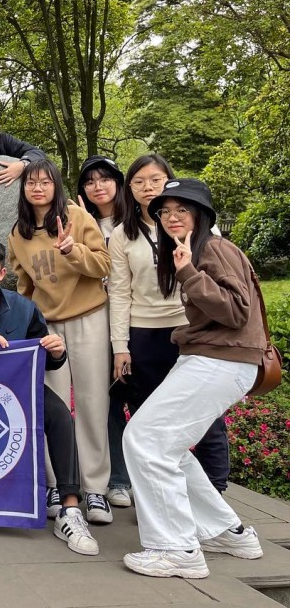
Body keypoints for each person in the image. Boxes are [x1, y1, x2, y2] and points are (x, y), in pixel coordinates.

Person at [122, 178, 266, 579]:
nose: (171, 217)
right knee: (163, 444)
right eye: (165, 211)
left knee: (145, 440)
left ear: (200, 214)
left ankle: (176, 549)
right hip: (210, 359)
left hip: (222, 360)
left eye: (181, 209)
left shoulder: (215, 248)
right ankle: (225, 531)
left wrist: (187, 272)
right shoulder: (194, 250)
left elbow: (235, 312)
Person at [0, 239, 99, 554]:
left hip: (19, 388)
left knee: (60, 415)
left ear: (2, 273)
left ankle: (70, 508)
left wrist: (57, 352)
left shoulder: (24, 308)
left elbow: (45, 359)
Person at [109, 157, 230, 499]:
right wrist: (121, 346)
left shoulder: (202, 230)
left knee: (206, 418)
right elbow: (119, 292)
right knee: (149, 421)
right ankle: (160, 500)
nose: (148, 187)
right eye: (138, 181)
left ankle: (214, 498)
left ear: (170, 182)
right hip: (144, 335)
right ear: (129, 189)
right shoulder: (122, 234)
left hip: (194, 331)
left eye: (156, 179)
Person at [8, 159, 113, 524]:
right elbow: (24, 284)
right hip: (47, 326)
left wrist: (72, 250)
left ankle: (95, 489)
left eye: (45, 182)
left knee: (92, 402)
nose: (37, 188)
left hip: (88, 317)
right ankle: (56, 484)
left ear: (56, 185)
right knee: (51, 408)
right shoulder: (19, 233)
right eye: (31, 183)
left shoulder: (77, 217)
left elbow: (103, 265)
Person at [77, 155, 131, 509]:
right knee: (108, 403)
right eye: (89, 181)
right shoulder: (81, 222)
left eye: (105, 179)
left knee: (142, 403)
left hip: (138, 322)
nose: (97, 186)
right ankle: (117, 480)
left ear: (118, 182)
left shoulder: (136, 221)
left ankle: (147, 481)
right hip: (98, 321)